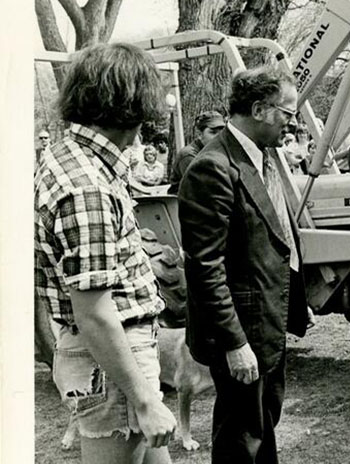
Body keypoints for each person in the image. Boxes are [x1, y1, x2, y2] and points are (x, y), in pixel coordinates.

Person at [34, 43, 176, 464]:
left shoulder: (71, 158)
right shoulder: (87, 186)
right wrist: (145, 402)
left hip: (116, 354)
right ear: (131, 106)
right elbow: (93, 312)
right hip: (113, 354)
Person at [178, 65, 309, 463]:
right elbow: (205, 268)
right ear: (258, 109)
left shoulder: (263, 159)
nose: (292, 123)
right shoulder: (213, 168)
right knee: (241, 438)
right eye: (287, 113)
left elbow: (277, 240)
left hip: (266, 320)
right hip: (240, 333)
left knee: (263, 423)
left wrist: (294, 302)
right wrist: (236, 344)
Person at [169, 110, 225, 193]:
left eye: (222, 133)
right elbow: (201, 188)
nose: (218, 137)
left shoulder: (216, 152)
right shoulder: (188, 155)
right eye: (213, 132)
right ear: (199, 134)